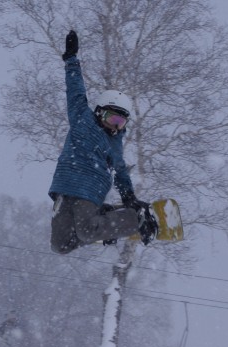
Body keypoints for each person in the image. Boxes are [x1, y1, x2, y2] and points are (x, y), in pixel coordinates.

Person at [49, 30, 158, 255]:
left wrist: (130, 199)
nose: (115, 126)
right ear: (99, 112)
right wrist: (71, 59)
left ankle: (132, 219)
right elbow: (75, 91)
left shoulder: (114, 143)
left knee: (87, 231)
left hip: (89, 190)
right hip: (64, 187)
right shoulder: (82, 118)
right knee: (60, 245)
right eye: (111, 118)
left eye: (121, 121)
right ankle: (105, 221)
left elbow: (120, 172)